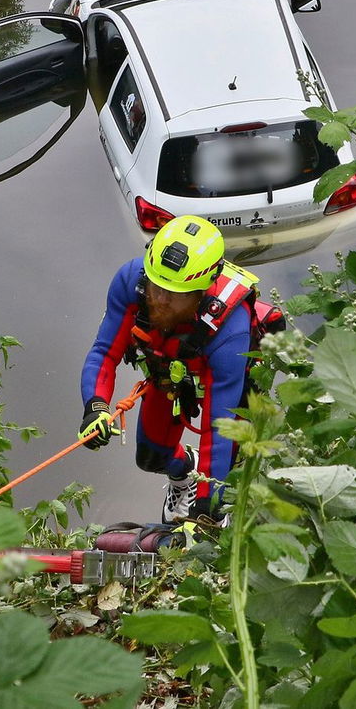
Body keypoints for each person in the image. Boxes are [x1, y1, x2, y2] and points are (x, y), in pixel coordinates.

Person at [77, 215, 264, 524]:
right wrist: (95, 407)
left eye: (174, 294)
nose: (160, 301)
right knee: (151, 457)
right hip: (172, 372)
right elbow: (103, 353)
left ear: (201, 291)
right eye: (157, 287)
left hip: (228, 384)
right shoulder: (131, 282)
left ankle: (221, 508)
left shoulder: (230, 331)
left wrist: (207, 509)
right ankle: (185, 473)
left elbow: (219, 428)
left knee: (221, 488)